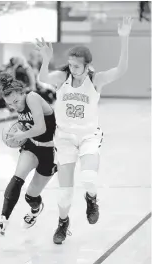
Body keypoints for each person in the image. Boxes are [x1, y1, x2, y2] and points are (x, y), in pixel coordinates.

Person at [36, 16, 132, 244]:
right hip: (65, 139)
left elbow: (121, 69)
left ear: (87, 65)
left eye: (76, 65)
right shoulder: (62, 78)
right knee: (64, 194)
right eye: (70, 64)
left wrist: (124, 39)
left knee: (89, 177)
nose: (72, 68)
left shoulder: (96, 79)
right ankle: (62, 223)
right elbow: (42, 78)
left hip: (89, 136)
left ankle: (91, 199)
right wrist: (45, 59)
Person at [0, 72, 57, 236]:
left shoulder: (32, 97)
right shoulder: (18, 104)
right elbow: (29, 126)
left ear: (22, 93)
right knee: (17, 178)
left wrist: (21, 135)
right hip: (32, 146)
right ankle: (2, 221)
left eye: (16, 101)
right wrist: (20, 132)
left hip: (49, 151)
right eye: (10, 105)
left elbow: (41, 128)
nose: (15, 107)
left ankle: (35, 210)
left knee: (31, 197)